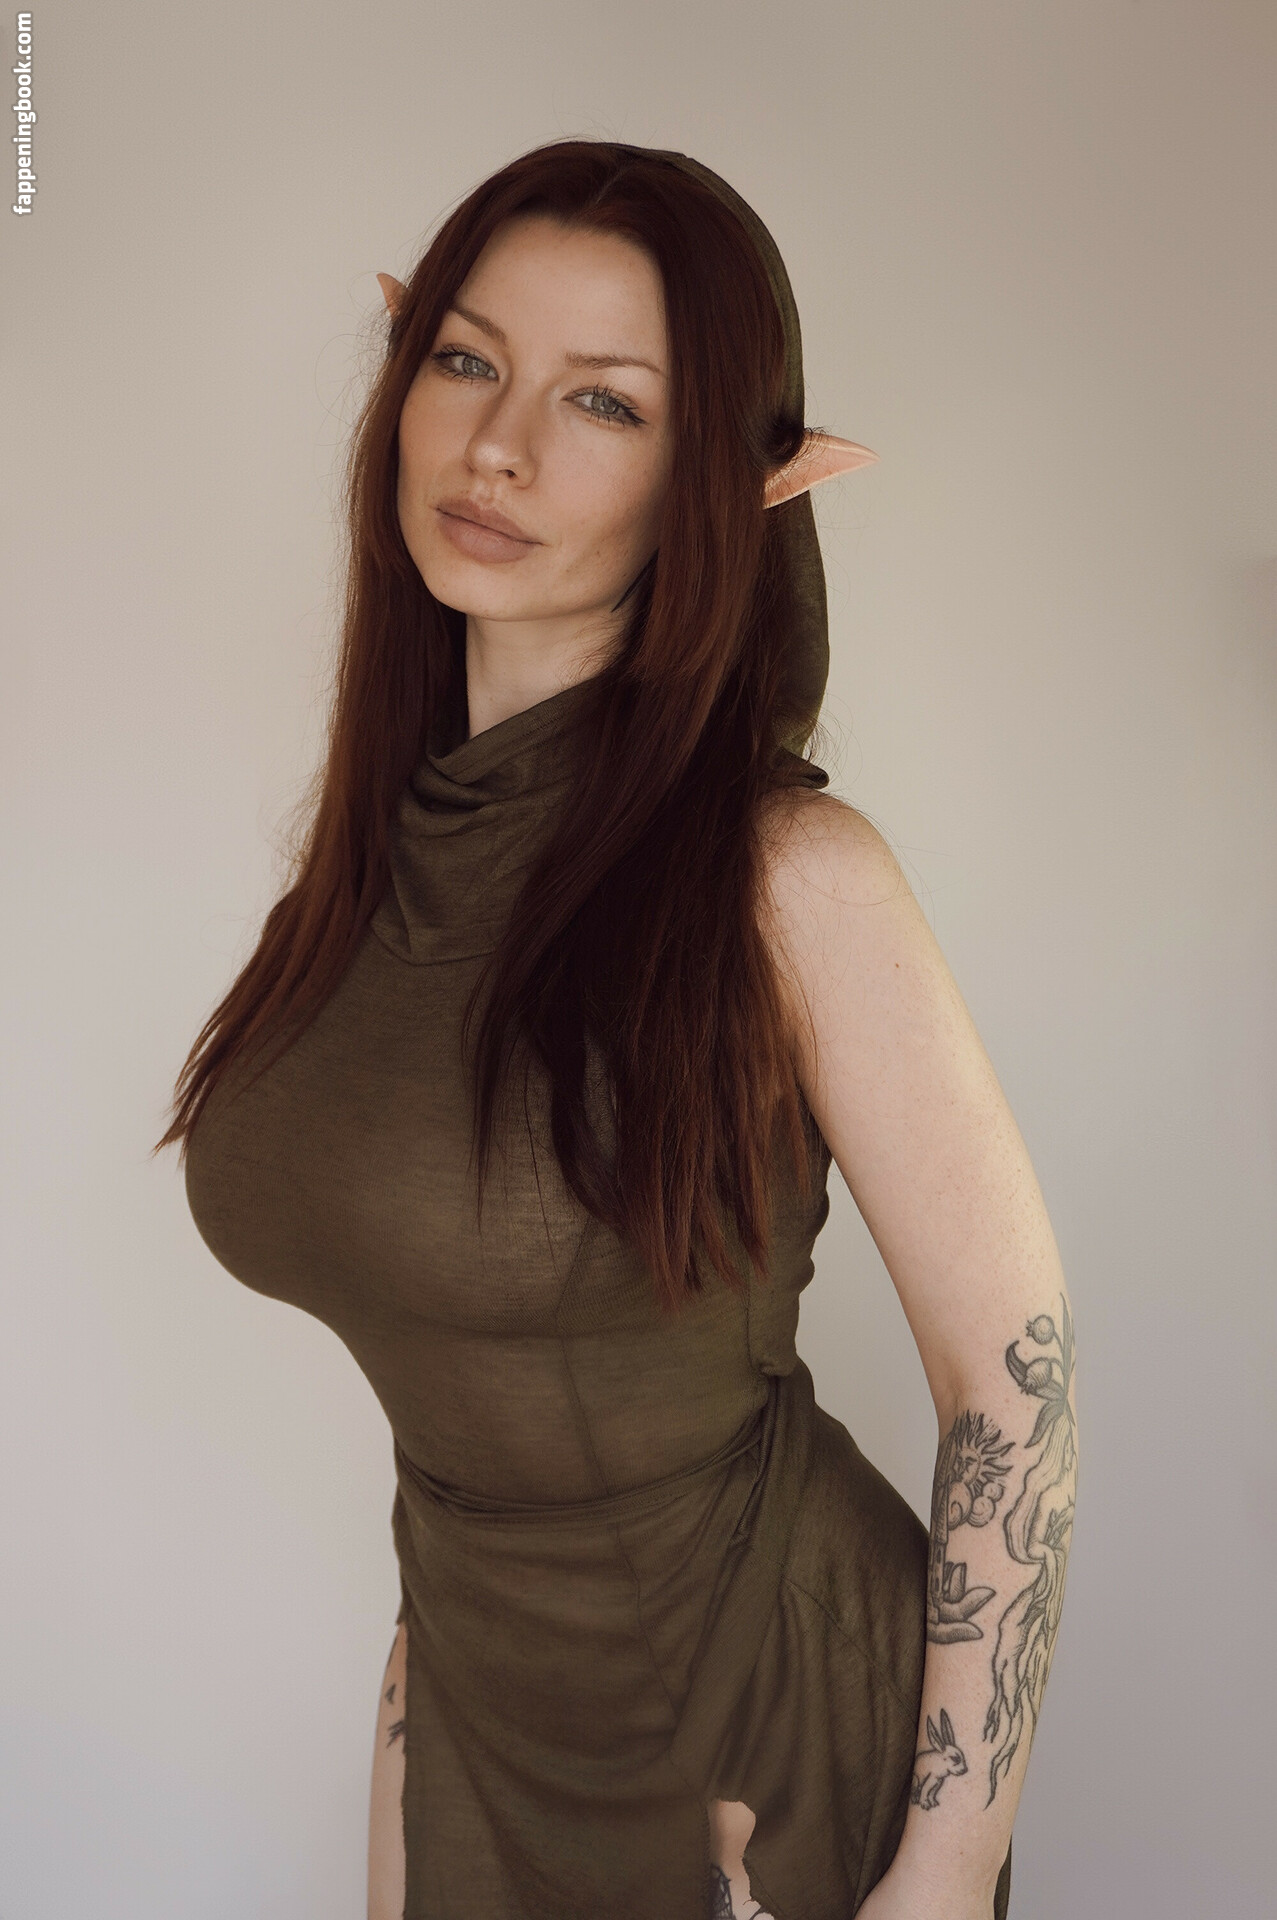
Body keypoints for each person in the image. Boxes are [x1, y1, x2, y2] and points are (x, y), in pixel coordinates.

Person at [160, 140, 1077, 1920]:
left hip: (760, 1734)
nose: (496, 444)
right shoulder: (370, 870)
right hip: (479, 1711)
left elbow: (1011, 1381)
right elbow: (465, 1404)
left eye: (603, 400)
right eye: (463, 358)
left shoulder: (787, 877)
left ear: (721, 485)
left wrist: (947, 1870)